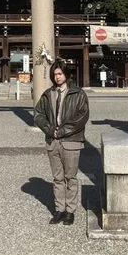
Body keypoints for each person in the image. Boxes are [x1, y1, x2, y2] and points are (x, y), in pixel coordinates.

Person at [33, 62, 90, 226]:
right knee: (57, 178)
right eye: (55, 74)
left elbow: (82, 116)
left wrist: (63, 131)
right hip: (53, 140)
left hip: (71, 140)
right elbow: (38, 114)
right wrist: (50, 130)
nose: (57, 77)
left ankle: (70, 210)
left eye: (60, 73)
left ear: (66, 74)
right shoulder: (48, 94)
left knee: (70, 177)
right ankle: (60, 209)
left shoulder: (78, 94)